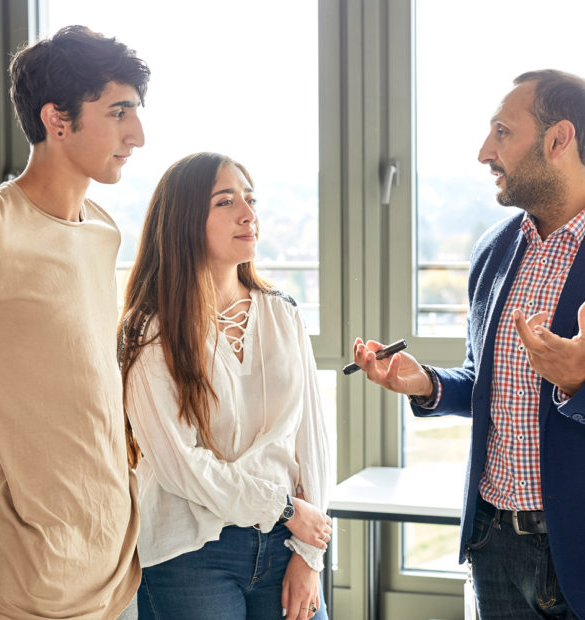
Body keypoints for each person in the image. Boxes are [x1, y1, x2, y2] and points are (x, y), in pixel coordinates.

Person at [353, 70, 585, 619]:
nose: (485, 152)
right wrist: (428, 383)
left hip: (575, 550)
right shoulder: (493, 251)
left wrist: (577, 385)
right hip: (492, 544)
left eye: (502, 131)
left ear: (559, 140)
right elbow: (485, 380)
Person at [0, 25, 150, 619]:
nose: (137, 135)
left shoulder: (102, 231)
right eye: (119, 111)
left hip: (116, 556)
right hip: (31, 565)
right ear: (57, 119)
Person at [119, 152, 332, 620]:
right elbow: (179, 466)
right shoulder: (148, 329)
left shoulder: (283, 314)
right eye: (226, 201)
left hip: (286, 543)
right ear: (184, 220)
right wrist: (283, 507)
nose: (248, 213)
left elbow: (311, 440)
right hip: (190, 550)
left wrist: (309, 554)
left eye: (250, 199)